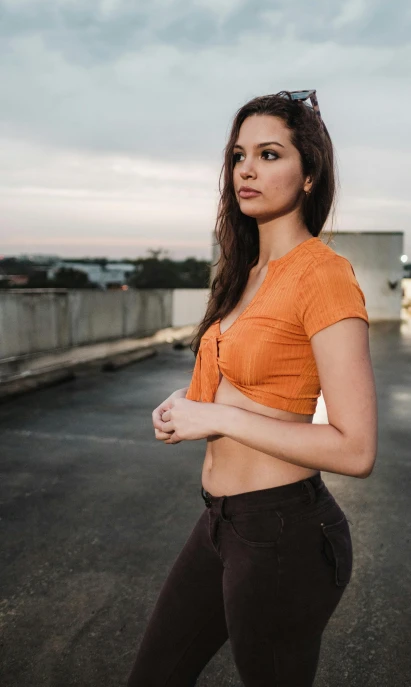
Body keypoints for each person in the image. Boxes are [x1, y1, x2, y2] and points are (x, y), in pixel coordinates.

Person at [126, 90, 378, 687]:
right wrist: (185, 406)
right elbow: (242, 386)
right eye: (239, 155)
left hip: (283, 534)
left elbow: (356, 449)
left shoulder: (323, 274)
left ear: (309, 174)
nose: (246, 169)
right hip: (218, 523)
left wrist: (219, 420)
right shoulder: (240, 273)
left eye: (269, 154)